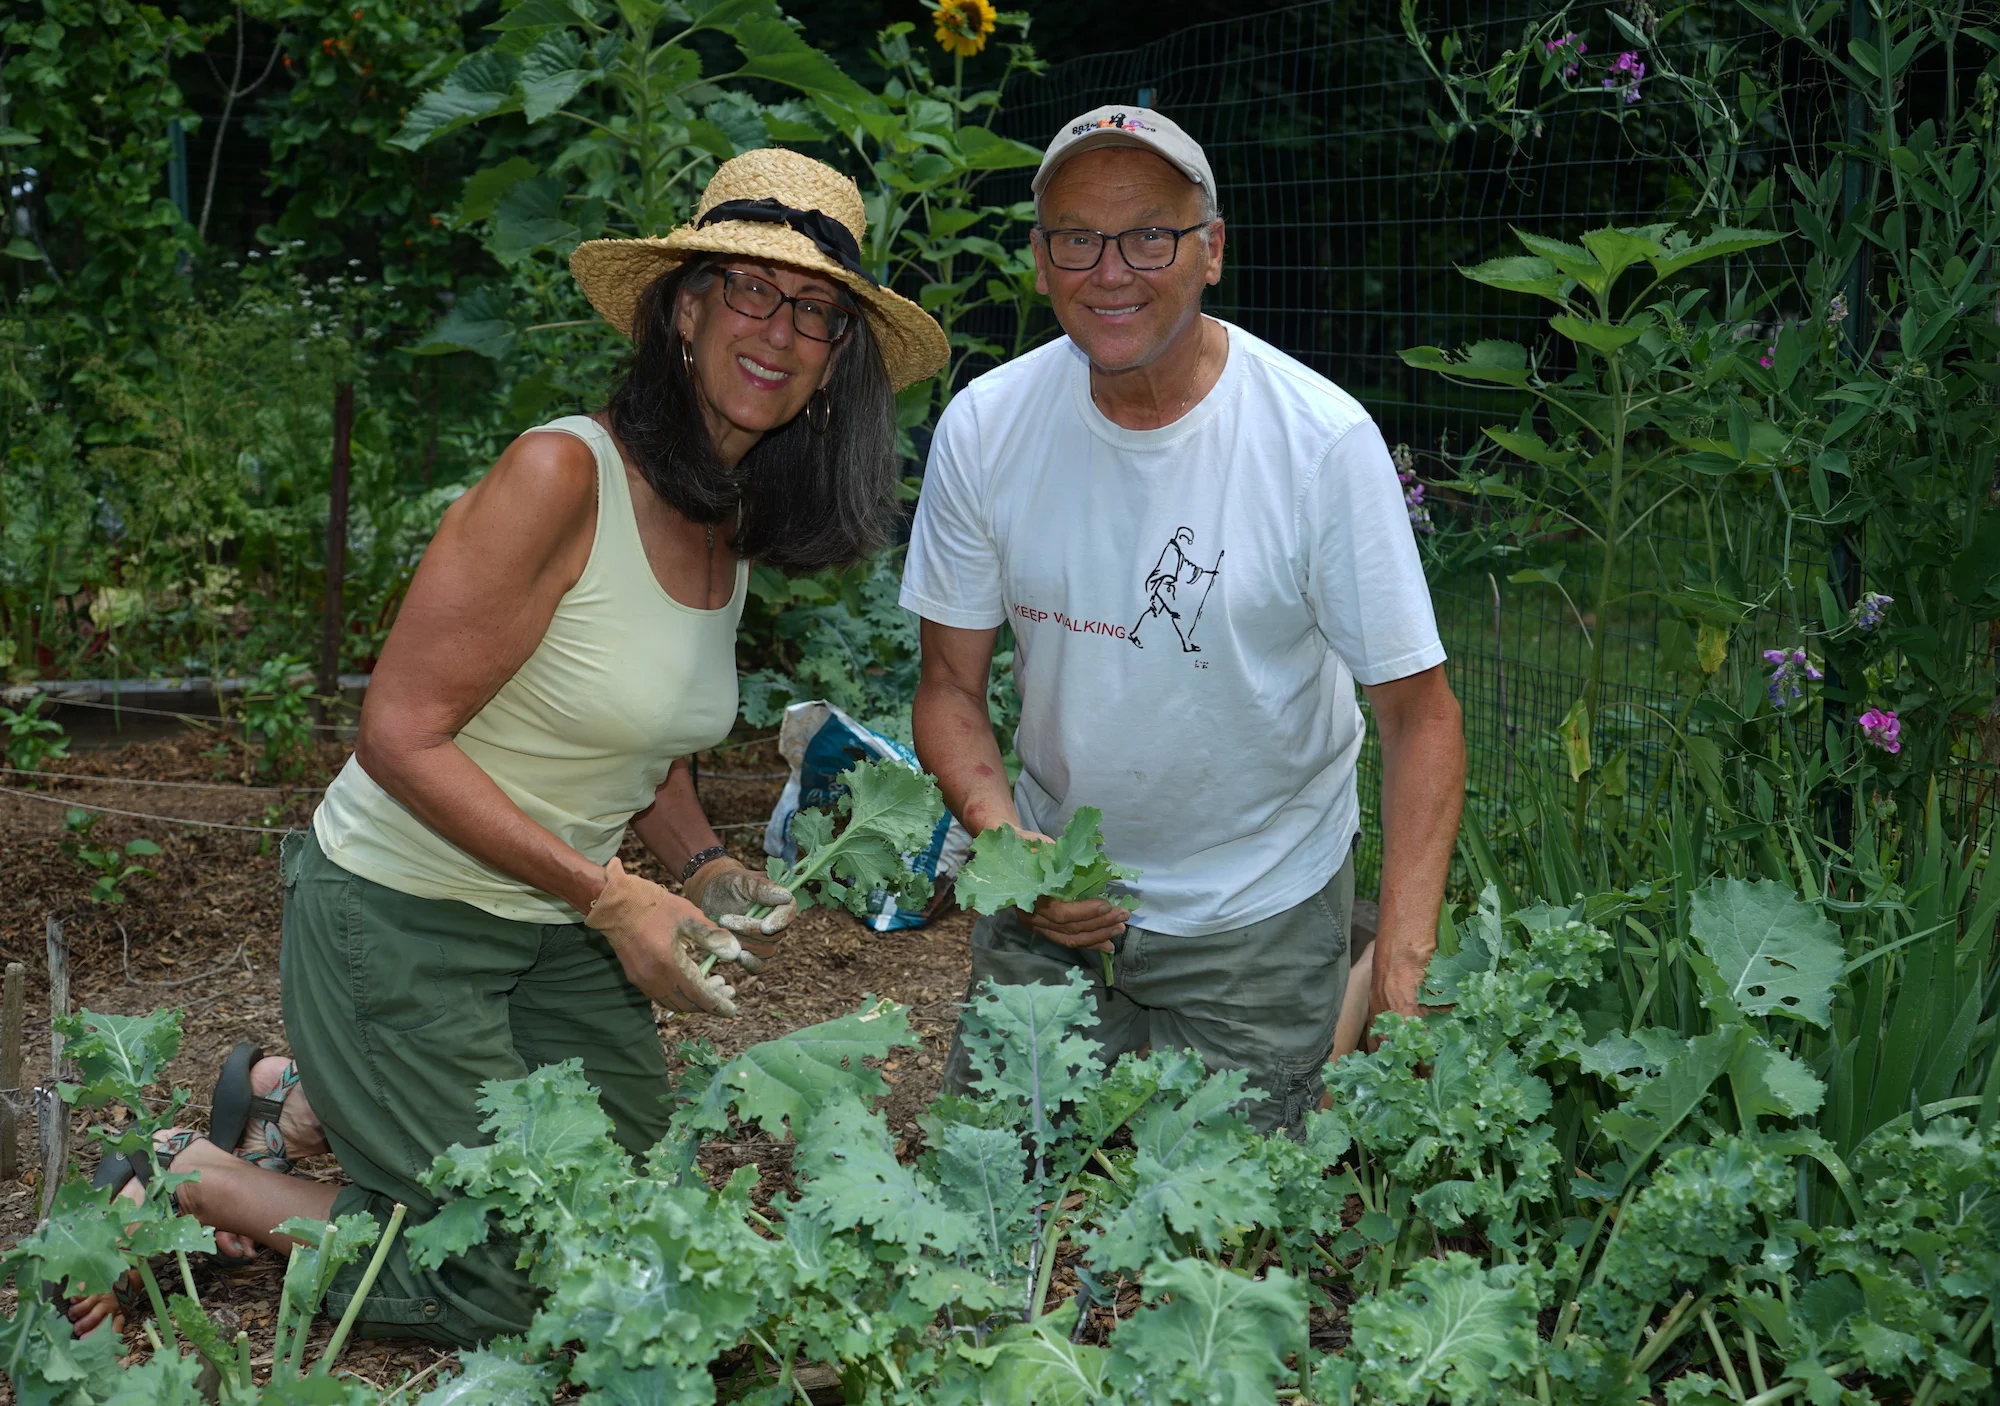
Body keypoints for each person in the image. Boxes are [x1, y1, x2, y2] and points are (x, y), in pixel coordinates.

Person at [68, 148, 948, 1345]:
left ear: (836, 359)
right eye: (749, 288)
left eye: (814, 311)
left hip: (549, 931)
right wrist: (613, 897)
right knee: (522, 1278)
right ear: (684, 310)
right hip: (399, 914)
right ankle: (191, 1175)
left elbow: (639, 733)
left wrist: (699, 866)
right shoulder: (561, 472)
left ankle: (298, 1100)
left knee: (623, 1222)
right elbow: (397, 733)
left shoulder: (723, 512)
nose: (778, 330)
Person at [902, 107, 1466, 1134]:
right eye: (1077, 238)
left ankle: (1334, 982)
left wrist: (1403, 959)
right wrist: (1015, 855)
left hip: (1257, 907)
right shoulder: (986, 426)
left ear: (1211, 251)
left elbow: (1418, 715)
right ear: (1039, 260)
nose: (1110, 270)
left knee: (1221, 1218)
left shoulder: (1317, 443)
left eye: (1150, 236)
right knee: (986, 1187)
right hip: (1053, 901)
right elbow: (947, 688)